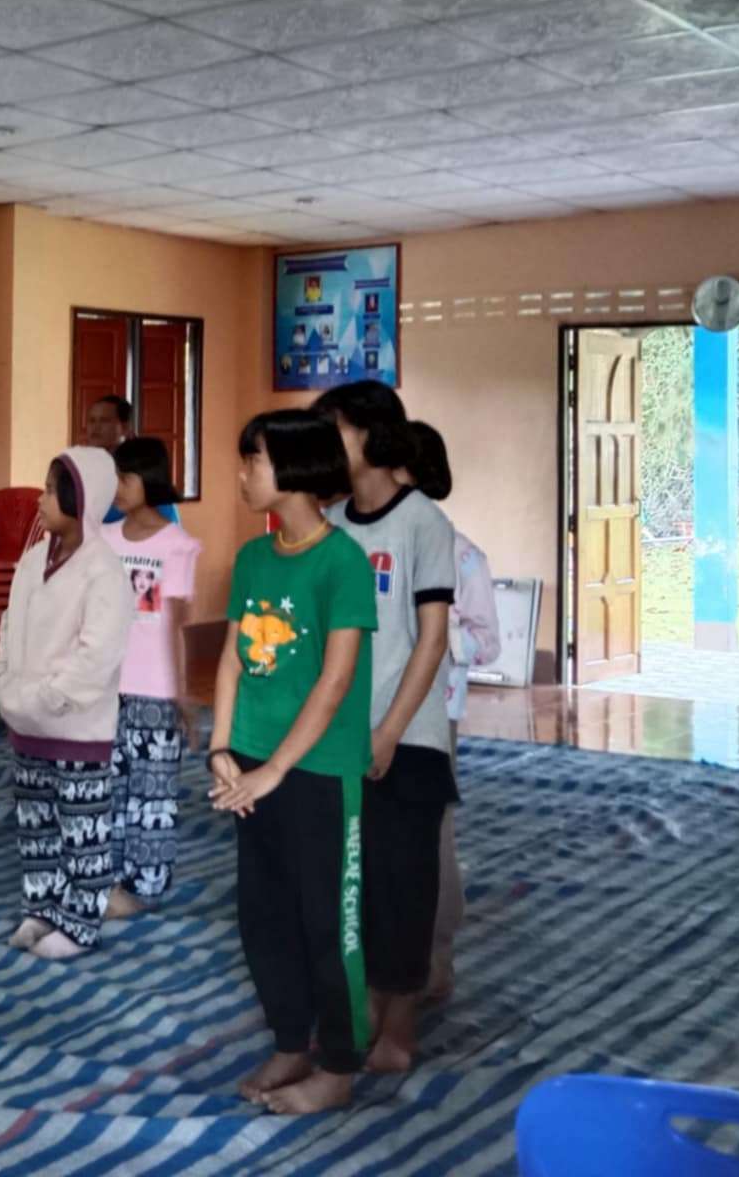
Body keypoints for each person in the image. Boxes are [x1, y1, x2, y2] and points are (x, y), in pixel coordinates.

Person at [210, 410, 376, 1116]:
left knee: (325, 919)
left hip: (315, 772)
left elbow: (334, 682)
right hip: (249, 766)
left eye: (253, 459)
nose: (242, 472)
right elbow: (231, 659)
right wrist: (222, 746)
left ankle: (339, 1065)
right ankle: (289, 1039)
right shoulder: (252, 559)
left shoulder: (343, 563)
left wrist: (275, 769)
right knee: (263, 913)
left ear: (297, 470)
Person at [314, 381, 455, 1075]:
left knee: (404, 884)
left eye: (334, 431)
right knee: (351, 883)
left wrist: (391, 730)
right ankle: (362, 1004)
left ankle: (399, 1024)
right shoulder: (332, 524)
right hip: (341, 737)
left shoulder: (424, 524)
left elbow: (429, 640)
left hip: (409, 739)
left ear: (371, 435)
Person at [0, 446, 134, 960]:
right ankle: (43, 906)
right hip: (25, 719)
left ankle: (80, 921)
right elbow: (9, 624)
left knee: (83, 829)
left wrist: (45, 698)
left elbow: (97, 655)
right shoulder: (35, 558)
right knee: (37, 824)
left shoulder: (103, 570)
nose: (41, 498)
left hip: (75, 725)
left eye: (52, 489)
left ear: (83, 496)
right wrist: (4, 682)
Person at [404, 421, 500, 1002]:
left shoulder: (462, 557)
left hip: (433, 717)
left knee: (431, 832)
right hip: (369, 713)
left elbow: (487, 643)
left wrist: (440, 639)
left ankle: (437, 955)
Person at [102, 437, 202, 919]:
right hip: (106, 685)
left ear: (150, 479)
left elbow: (177, 625)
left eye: (126, 478)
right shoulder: (105, 540)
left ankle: (143, 887)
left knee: (151, 792)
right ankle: (106, 878)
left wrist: (182, 693)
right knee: (109, 786)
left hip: (154, 687)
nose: (117, 488)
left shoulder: (178, 545)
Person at [85, 395, 180, 525]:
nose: (95, 428)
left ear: (124, 427)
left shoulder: (144, 466)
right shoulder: (85, 469)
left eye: (104, 420)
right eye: (91, 420)